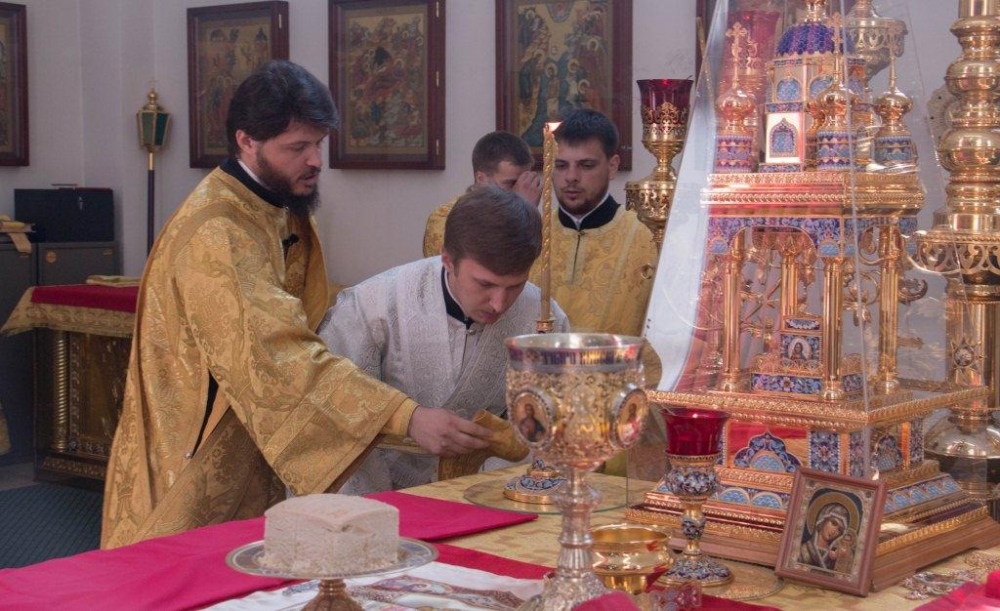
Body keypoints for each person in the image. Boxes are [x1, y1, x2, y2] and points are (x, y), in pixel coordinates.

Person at [101, 60, 492, 548]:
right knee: (179, 571)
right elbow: (277, 355)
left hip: (248, 440)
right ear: (247, 141)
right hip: (195, 452)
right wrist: (404, 417)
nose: (315, 160)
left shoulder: (272, 204)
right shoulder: (218, 233)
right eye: (297, 147)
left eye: (319, 144)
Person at [320, 185, 569, 493]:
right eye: (485, 284)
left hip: (489, 490)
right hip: (381, 490)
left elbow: (554, 424)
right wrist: (408, 420)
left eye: (515, 286)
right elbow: (329, 397)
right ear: (448, 260)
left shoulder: (544, 317)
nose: (499, 304)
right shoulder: (374, 305)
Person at [538, 108, 659, 337]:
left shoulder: (646, 238)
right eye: (561, 165)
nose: (571, 177)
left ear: (612, 166)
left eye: (586, 165)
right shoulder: (533, 236)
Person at [422, 131, 541, 257]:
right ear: (481, 179)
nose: (522, 188)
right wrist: (520, 212)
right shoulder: (445, 218)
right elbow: (481, 262)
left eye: (525, 181)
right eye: (511, 183)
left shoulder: (536, 219)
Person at [798, 502, 851, 571]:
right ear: (823, 520)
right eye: (833, 523)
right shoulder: (802, 550)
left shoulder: (835, 556)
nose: (834, 531)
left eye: (839, 530)